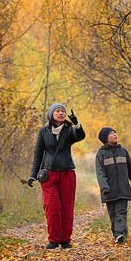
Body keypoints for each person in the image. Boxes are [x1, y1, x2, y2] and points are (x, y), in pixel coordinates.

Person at [28, 104, 86, 249]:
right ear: (51, 114)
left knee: (67, 207)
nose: (61, 113)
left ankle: (65, 240)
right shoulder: (43, 132)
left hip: (67, 173)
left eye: (63, 111)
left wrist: (76, 123)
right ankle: (53, 240)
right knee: (52, 207)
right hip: (49, 174)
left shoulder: (69, 130)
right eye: (57, 111)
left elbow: (80, 136)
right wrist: (33, 175)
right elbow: (38, 154)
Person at [95, 127, 131, 244]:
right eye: (111, 134)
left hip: (123, 190)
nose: (115, 135)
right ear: (104, 138)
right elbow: (100, 173)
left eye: (115, 133)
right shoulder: (101, 154)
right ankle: (118, 236)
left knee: (121, 213)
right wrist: (104, 187)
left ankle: (121, 234)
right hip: (109, 191)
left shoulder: (123, 151)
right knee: (113, 215)